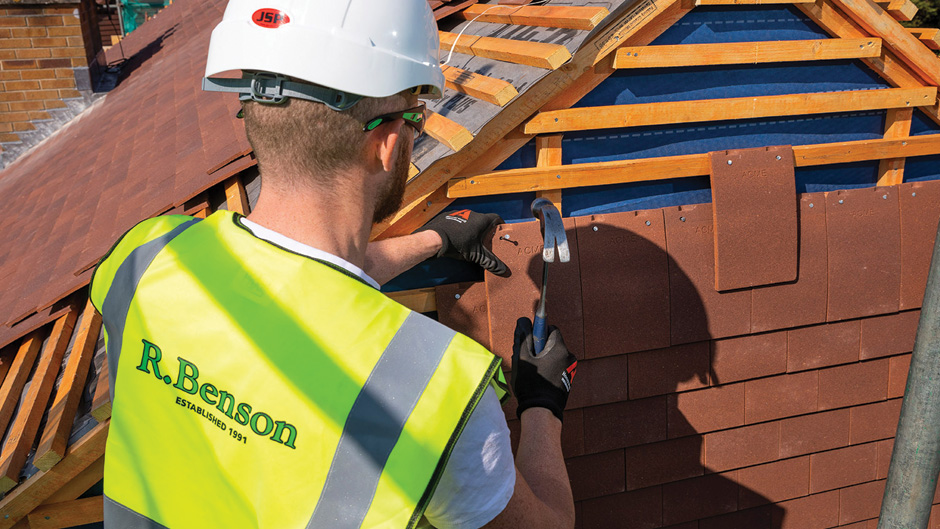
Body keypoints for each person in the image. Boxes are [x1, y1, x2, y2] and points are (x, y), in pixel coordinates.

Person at [89, 0, 578, 527]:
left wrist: (433, 241)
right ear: (387, 144)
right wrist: (542, 405)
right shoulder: (431, 392)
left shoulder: (148, 257)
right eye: (415, 117)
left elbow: (284, 285)